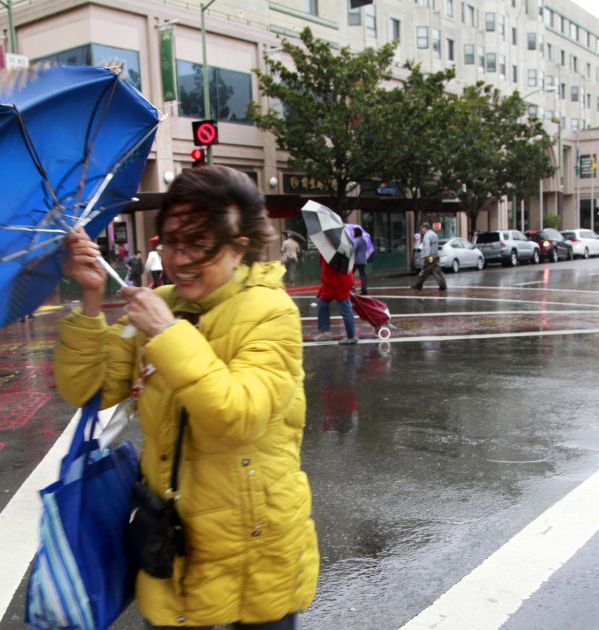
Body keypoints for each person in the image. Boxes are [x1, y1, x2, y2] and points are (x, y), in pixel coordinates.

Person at [55, 165, 318, 630]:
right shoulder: (161, 304)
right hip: (174, 539)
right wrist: (92, 297)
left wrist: (168, 332)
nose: (183, 259)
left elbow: (239, 415)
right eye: (173, 242)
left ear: (241, 247)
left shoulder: (271, 313)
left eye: (202, 244)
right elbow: (87, 389)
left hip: (258, 542)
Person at [314, 253, 358, 344]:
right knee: (322, 304)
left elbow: (328, 269)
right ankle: (326, 333)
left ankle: (352, 336)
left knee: (345, 308)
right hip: (332, 282)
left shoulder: (333, 249)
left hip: (338, 282)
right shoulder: (330, 247)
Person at [411, 223, 447, 291]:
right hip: (435, 256)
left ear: (425, 228)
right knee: (437, 271)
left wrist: (426, 256)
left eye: (422, 228)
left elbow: (427, 246)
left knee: (424, 270)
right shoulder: (434, 234)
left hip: (429, 257)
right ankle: (443, 285)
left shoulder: (427, 236)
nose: (421, 230)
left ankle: (418, 284)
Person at [352, 226, 369, 295]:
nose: (353, 233)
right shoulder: (364, 240)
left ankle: (352, 288)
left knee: (350, 274)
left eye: (353, 232)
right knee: (363, 274)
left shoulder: (356, 240)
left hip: (356, 260)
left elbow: (354, 249)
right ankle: (364, 289)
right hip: (363, 260)